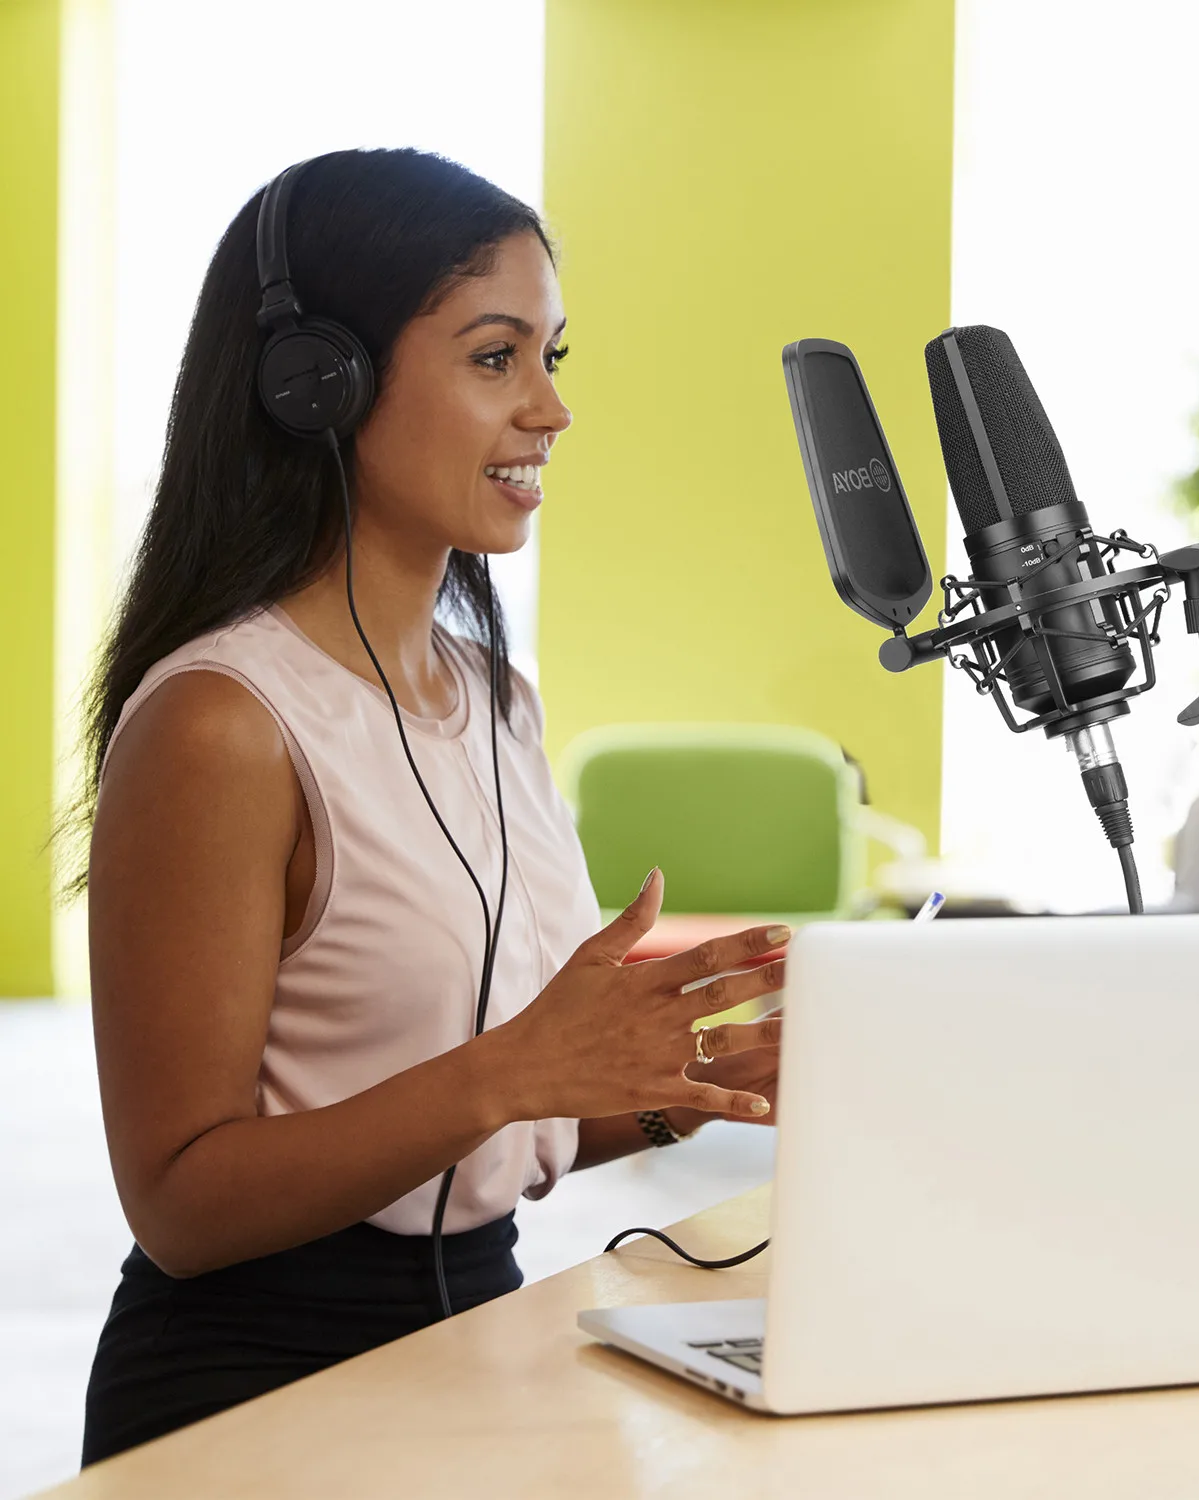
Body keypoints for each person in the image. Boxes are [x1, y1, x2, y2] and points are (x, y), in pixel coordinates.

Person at [77, 148, 784, 1464]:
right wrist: (513, 1070)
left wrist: (697, 1087)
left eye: (552, 358)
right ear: (320, 385)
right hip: (251, 1398)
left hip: (476, 1347)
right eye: (496, 357)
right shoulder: (222, 724)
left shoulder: (495, 699)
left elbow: (501, 1128)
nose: (552, 411)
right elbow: (180, 1203)